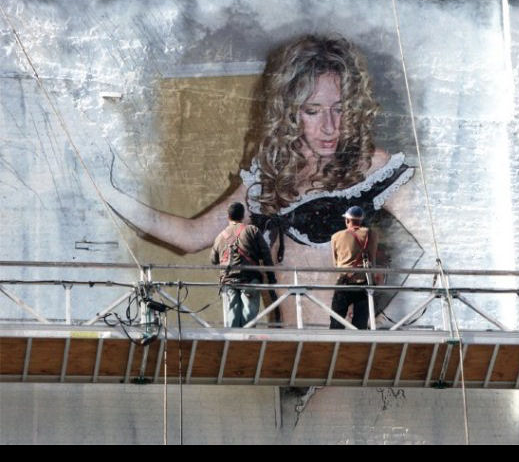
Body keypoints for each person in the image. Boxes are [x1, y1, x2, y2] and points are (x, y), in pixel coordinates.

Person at [104, 33, 431, 328]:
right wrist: (106, 193)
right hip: (289, 356)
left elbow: (441, 244)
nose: (330, 126)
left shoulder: (371, 167)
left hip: (346, 355)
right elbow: (190, 236)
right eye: (313, 110)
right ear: (290, 113)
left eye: (339, 109)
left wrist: (387, 322)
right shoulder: (270, 176)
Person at [210, 202, 276, 327]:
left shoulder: (220, 237)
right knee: (249, 321)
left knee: (232, 319)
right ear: (243, 216)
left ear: (228, 216)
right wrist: (271, 277)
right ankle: (248, 338)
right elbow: (266, 255)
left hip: (228, 281)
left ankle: (233, 339)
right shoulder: (252, 230)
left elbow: (213, 260)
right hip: (250, 280)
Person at [330, 206, 378, 329]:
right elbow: (372, 258)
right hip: (364, 283)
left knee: (336, 322)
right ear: (361, 220)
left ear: (347, 220)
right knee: (360, 324)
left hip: (344, 282)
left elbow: (336, 264)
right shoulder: (371, 234)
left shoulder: (336, 237)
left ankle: (335, 340)